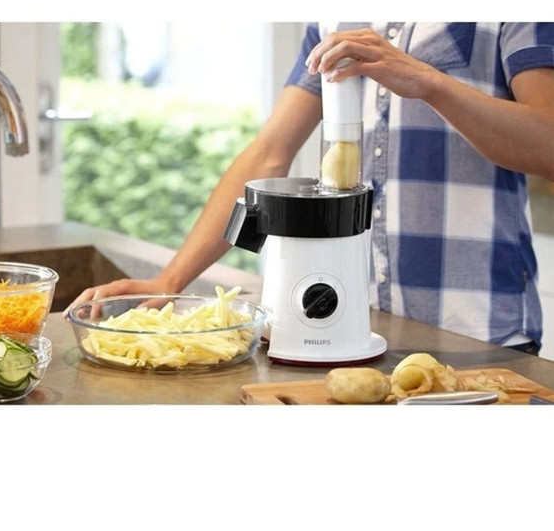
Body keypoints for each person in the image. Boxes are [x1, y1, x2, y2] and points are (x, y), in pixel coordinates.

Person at [63, 23, 554, 355]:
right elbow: (269, 153)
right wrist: (170, 281)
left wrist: (429, 81)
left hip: (474, 332)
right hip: (357, 333)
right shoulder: (333, 16)